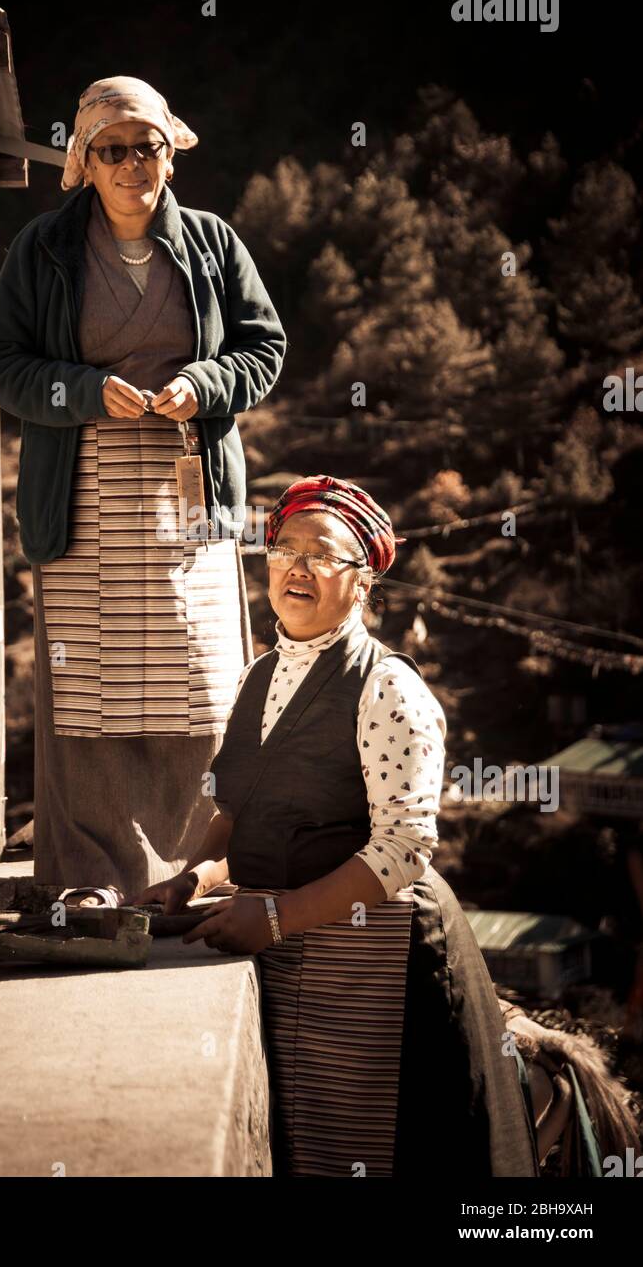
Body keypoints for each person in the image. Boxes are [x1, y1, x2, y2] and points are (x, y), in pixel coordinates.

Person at [129, 475, 540, 1178]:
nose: (296, 566)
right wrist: (193, 876)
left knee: (388, 1149)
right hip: (291, 946)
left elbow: (405, 848)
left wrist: (279, 917)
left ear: (362, 581)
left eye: (322, 555)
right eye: (284, 547)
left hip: (378, 960)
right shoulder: (259, 677)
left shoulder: (385, 685)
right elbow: (236, 811)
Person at [0, 76, 286, 895]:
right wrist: (80, 393)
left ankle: (195, 874)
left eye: (145, 145)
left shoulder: (215, 245)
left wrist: (207, 384)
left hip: (188, 488)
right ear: (84, 161)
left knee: (201, 682)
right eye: (111, 149)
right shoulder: (42, 248)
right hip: (81, 491)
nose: (130, 163)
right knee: (91, 697)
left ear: (168, 157)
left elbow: (264, 349)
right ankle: (92, 877)